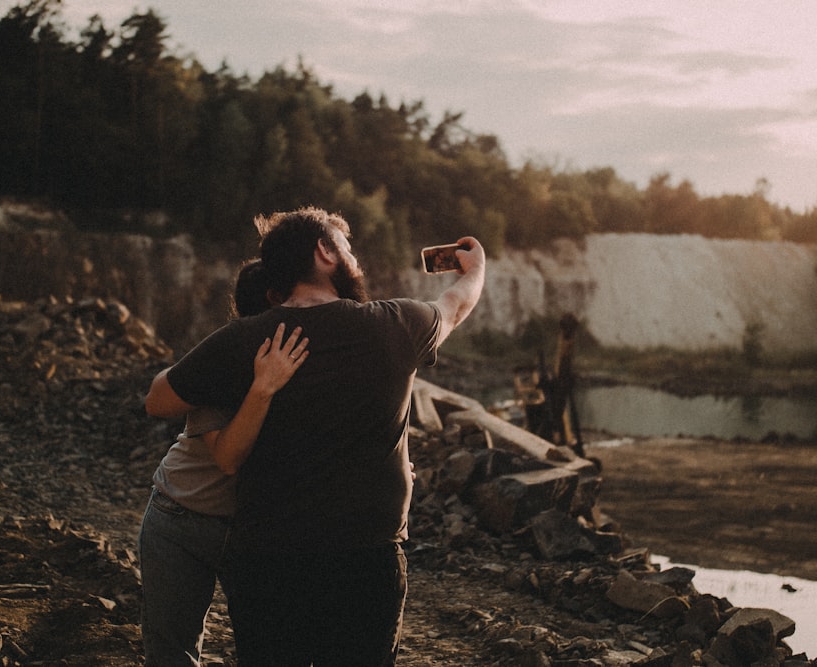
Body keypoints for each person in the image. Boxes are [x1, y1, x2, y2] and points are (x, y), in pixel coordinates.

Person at [145, 206, 486, 666]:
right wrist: (476, 268)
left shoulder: (244, 340)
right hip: (365, 560)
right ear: (324, 252)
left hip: (268, 564)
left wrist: (224, 372)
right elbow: (456, 304)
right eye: (345, 247)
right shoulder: (393, 325)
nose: (353, 257)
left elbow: (158, 401)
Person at [138, 259, 309, 666]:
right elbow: (229, 458)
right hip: (182, 518)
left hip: (256, 529)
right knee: (171, 654)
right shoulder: (226, 365)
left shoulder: (305, 361)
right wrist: (263, 387)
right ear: (274, 303)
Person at [553, 312, 585, 458]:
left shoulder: (567, 342)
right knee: (559, 411)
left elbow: (564, 363)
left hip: (563, 381)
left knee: (559, 411)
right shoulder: (566, 341)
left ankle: (561, 439)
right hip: (562, 380)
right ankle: (561, 439)